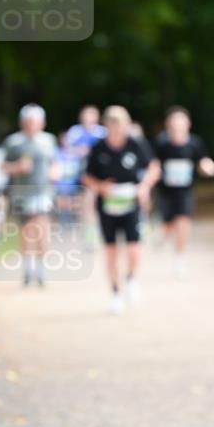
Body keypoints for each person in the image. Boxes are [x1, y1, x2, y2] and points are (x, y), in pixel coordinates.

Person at [83, 106, 160, 314]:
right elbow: (86, 177)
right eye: (112, 127)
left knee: (134, 248)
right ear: (106, 126)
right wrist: (100, 187)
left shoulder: (136, 144)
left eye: (121, 126)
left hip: (131, 203)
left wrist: (144, 186)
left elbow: (153, 167)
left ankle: (132, 278)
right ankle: (115, 293)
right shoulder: (99, 148)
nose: (117, 131)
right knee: (111, 251)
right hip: (107, 206)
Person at [153, 106, 214, 277]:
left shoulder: (194, 143)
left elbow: (202, 160)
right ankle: (163, 236)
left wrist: (208, 167)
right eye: (174, 121)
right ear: (168, 124)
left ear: (188, 123)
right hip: (166, 191)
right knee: (168, 225)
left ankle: (179, 259)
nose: (178, 125)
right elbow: (154, 163)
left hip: (185, 191)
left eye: (181, 121)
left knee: (183, 221)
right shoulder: (162, 143)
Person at [1, 104, 59, 287]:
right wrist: (17, 167)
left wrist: (55, 172)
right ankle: (28, 270)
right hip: (21, 194)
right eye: (29, 121)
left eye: (35, 121)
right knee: (26, 232)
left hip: (43, 193)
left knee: (42, 230)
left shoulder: (49, 140)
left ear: (42, 122)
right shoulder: (13, 142)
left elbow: (55, 163)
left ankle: (41, 271)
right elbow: (3, 167)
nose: (32, 124)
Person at [66, 105, 106, 249]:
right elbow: (68, 149)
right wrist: (80, 151)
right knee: (87, 206)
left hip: (100, 174)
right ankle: (90, 236)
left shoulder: (102, 133)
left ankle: (99, 233)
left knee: (98, 206)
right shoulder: (75, 132)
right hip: (83, 175)